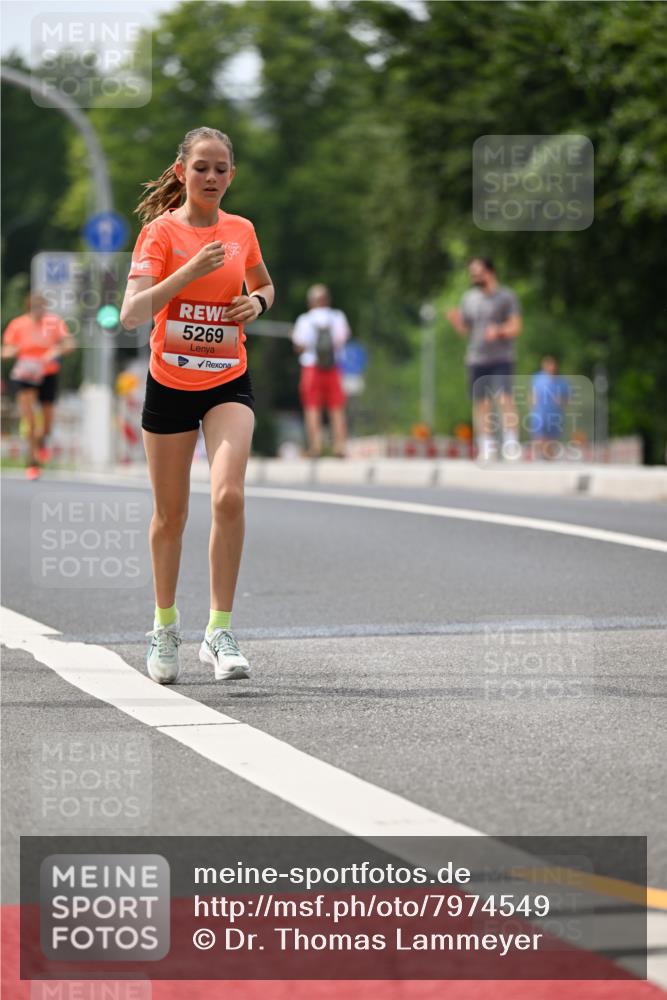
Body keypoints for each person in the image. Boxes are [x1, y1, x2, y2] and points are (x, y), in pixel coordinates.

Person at [120, 126, 274, 686]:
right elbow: (132, 312)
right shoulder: (160, 233)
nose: (212, 177)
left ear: (232, 175)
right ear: (182, 172)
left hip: (228, 380)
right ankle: (164, 626)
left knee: (229, 494)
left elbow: (265, 284)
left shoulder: (242, 231)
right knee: (171, 516)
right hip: (169, 384)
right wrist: (188, 273)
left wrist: (255, 302)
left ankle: (219, 630)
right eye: (202, 168)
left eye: (222, 169)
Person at [446, 257, 522, 460]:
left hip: (501, 357)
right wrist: (455, 321)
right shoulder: (469, 298)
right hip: (477, 359)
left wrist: (498, 331)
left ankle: (511, 443)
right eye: (472, 273)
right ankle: (486, 446)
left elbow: (516, 327)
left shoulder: (506, 297)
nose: (474, 276)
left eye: (477, 272)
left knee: (505, 399)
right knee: (482, 403)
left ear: (490, 272)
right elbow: (465, 329)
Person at [1, 293, 76, 479]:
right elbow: (6, 350)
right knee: (30, 421)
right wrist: (15, 350)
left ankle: (41, 443)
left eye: (41, 307)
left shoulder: (54, 322)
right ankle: (32, 462)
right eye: (35, 307)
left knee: (47, 422)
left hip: (47, 373)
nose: (39, 311)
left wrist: (55, 351)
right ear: (29, 307)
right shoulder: (18, 324)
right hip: (25, 374)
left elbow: (70, 343)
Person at [292, 284, 350, 458]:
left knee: (312, 407)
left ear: (311, 302)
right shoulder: (338, 317)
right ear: (327, 300)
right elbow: (342, 339)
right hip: (333, 367)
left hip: (311, 368)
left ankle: (315, 446)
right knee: (337, 407)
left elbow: (299, 346)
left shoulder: (304, 320)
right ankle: (339, 446)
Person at [530, 355, 571, 460]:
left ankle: (548, 459)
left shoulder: (562, 382)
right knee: (539, 436)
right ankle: (540, 456)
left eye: (552, 364)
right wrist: (533, 401)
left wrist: (560, 400)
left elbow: (568, 400)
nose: (550, 367)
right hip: (540, 412)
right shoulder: (537, 378)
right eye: (547, 364)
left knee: (552, 439)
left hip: (555, 413)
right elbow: (532, 394)